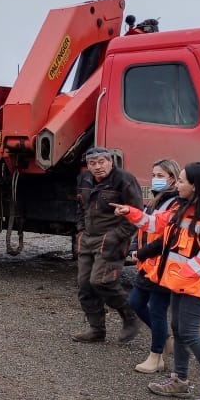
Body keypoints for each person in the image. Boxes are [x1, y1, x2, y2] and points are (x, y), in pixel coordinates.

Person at [113, 162, 200, 400]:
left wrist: (184, 274)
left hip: (197, 286)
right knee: (179, 330)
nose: (176, 185)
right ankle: (180, 380)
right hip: (181, 283)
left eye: (180, 181)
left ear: (195, 185)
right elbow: (154, 224)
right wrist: (130, 211)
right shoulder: (182, 208)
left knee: (189, 333)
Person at [71, 147, 143, 344]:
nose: (97, 167)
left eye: (101, 162)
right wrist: (80, 229)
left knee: (101, 281)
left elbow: (136, 213)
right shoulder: (84, 180)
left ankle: (130, 316)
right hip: (88, 237)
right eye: (92, 163)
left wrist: (116, 237)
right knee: (84, 284)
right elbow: (80, 206)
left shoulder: (124, 180)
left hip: (111, 238)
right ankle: (96, 330)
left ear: (111, 161)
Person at [126, 158, 181, 373]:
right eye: (154, 175)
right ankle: (165, 338)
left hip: (162, 266)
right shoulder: (156, 201)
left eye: (160, 176)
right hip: (148, 265)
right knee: (135, 303)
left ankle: (155, 356)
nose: (155, 180)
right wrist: (134, 248)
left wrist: (141, 253)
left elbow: (164, 239)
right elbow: (143, 228)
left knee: (157, 312)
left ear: (174, 179)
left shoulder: (176, 204)